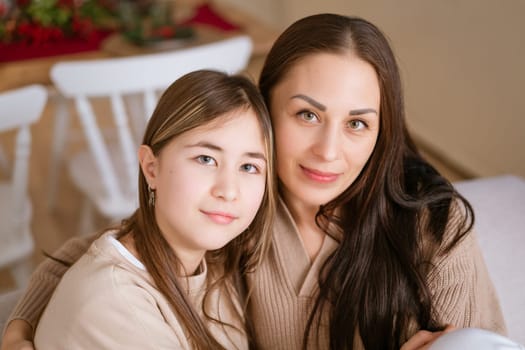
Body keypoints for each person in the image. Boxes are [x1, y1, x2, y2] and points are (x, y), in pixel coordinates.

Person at [1, 14, 506, 350]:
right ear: (264, 116)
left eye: (357, 123)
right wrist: (19, 325)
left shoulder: (432, 225)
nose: (329, 152)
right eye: (307, 115)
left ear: (381, 129)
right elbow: (107, 250)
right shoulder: (244, 205)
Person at [25, 70, 276, 349]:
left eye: (249, 167)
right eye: (206, 159)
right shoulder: (117, 306)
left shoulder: (217, 256)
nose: (228, 190)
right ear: (151, 168)